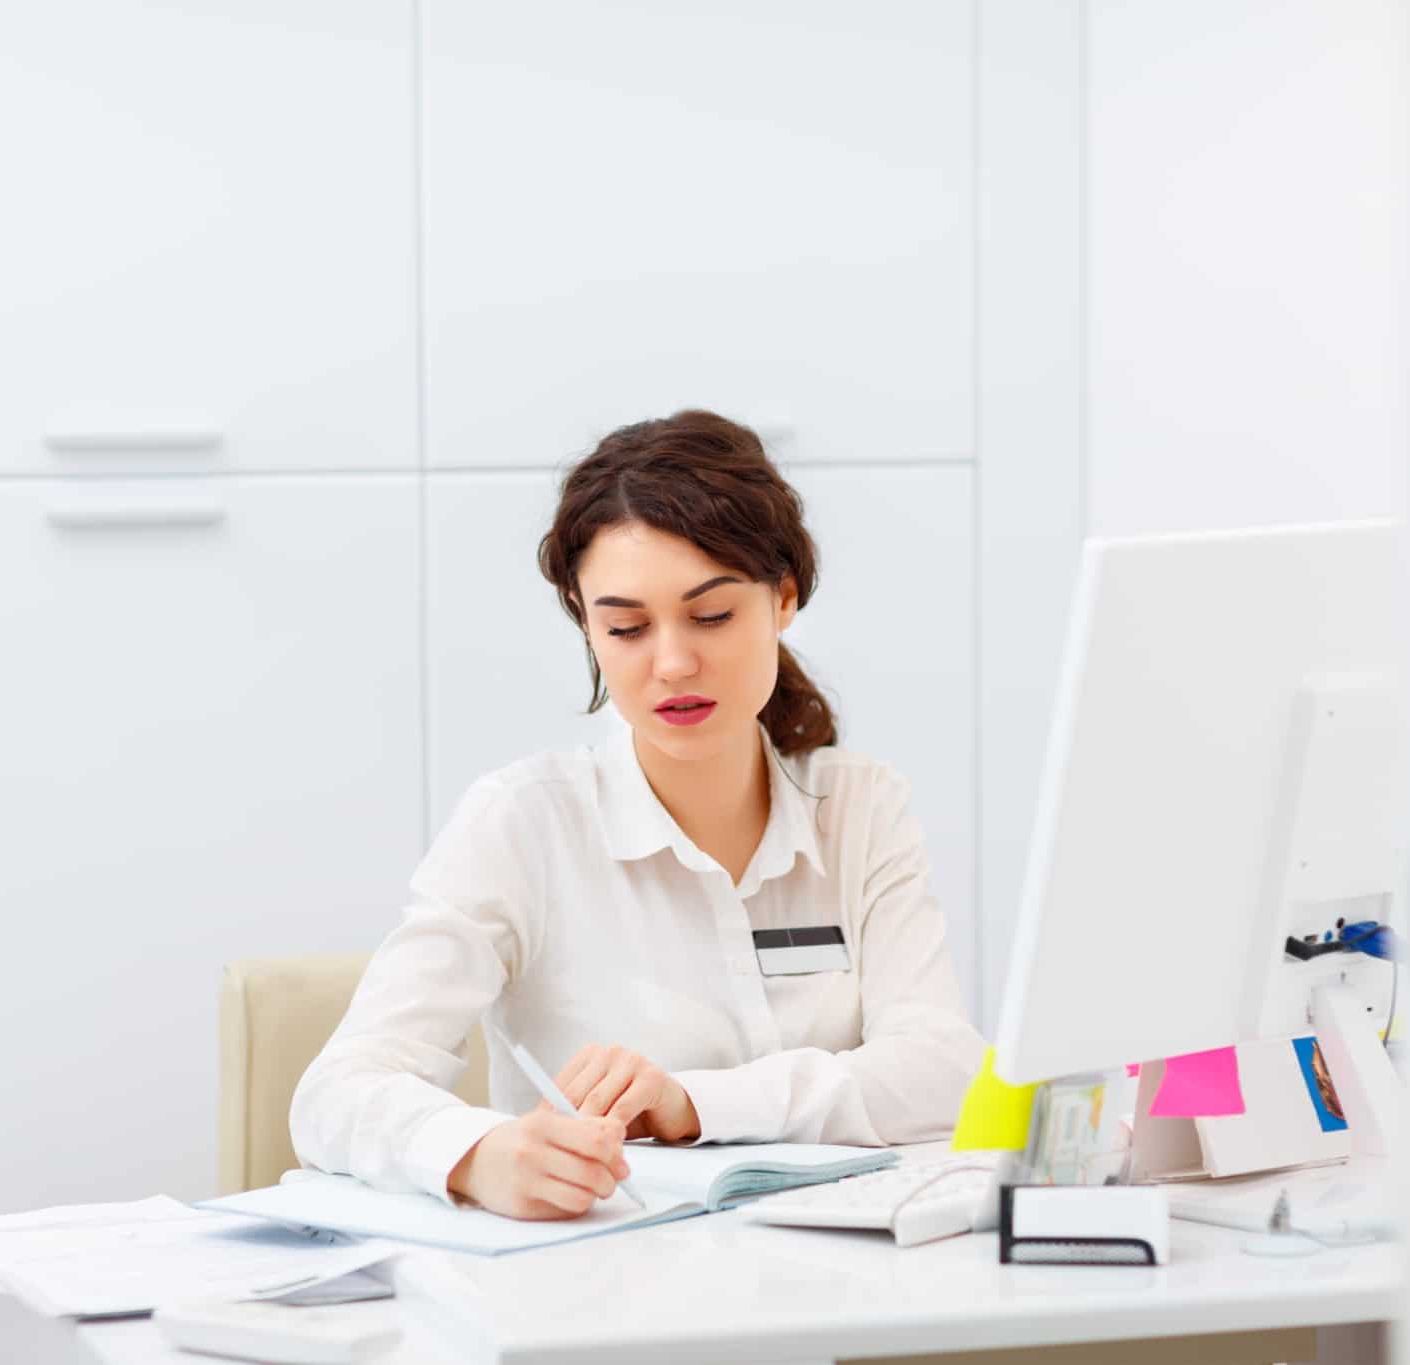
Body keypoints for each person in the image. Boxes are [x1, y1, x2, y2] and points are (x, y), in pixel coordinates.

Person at [291, 409, 987, 1220]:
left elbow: (944, 1070)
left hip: (843, 1280)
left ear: (785, 597)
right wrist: (476, 1156)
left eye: (712, 615)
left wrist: (692, 1103)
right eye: (625, 626)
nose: (672, 662)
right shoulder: (524, 824)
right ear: (588, 626)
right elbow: (337, 1091)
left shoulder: (860, 808)